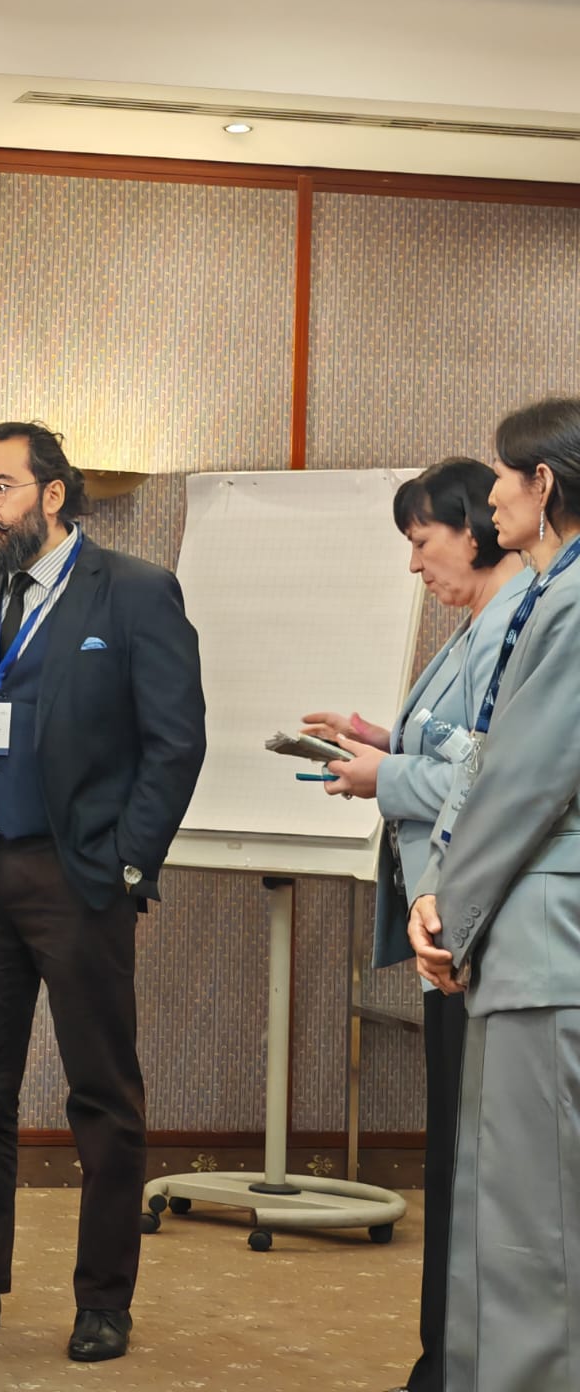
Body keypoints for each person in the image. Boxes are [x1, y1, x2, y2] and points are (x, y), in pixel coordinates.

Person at [0, 420, 205, 1364]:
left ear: (53, 495)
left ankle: (104, 1300)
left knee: (101, 1093)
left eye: (1, 487)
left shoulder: (135, 590)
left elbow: (176, 742)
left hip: (77, 876)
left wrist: (127, 864)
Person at [303, 459, 529, 1392]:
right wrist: (382, 740)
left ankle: (455, 1363)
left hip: (487, 927)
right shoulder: (480, 623)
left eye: (421, 540)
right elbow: (460, 750)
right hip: (455, 926)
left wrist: (386, 776)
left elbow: (502, 780)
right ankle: (443, 1358)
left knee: (474, 1166)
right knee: (452, 1158)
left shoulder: (524, 621)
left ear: (475, 528)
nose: (413, 565)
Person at [409, 398, 580, 1392]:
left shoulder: (574, 598)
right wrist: (440, 892)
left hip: (546, 946)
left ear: (543, 483)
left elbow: (525, 780)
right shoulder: (555, 588)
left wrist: (449, 917)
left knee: (535, 1235)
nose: (496, 492)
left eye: (506, 475)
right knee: (506, 1214)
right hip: (522, 942)